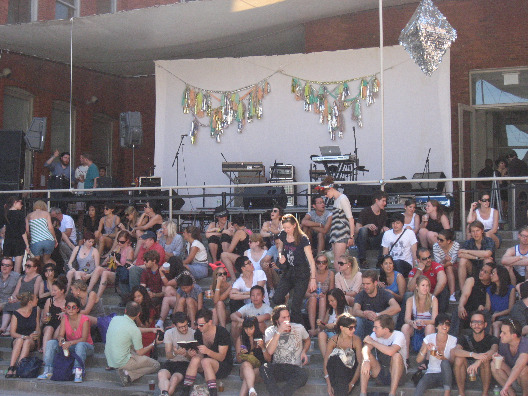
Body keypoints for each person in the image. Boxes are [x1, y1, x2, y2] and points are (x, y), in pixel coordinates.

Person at [272, 214, 316, 325]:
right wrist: (281, 255)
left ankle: (300, 332)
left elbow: (311, 260)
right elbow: (280, 247)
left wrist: (313, 279)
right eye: (285, 227)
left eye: (289, 227)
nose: (287, 230)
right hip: (288, 271)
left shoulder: (303, 239)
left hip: (301, 273)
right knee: (277, 298)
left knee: (296, 306)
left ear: (295, 225)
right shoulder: (283, 234)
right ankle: (283, 319)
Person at [38, 295, 94, 382]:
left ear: (78, 309)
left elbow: (84, 338)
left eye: (73, 307)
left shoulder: (84, 319)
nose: (71, 309)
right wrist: (61, 340)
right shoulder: (65, 318)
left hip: (86, 347)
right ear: (66, 309)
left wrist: (69, 343)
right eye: (68, 307)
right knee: (51, 343)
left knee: (80, 345)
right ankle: (48, 370)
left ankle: (78, 372)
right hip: (70, 346)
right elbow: (60, 335)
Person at [104, 301, 161, 386]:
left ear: (125, 310)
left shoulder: (115, 319)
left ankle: (124, 370)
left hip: (110, 359)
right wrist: (154, 343)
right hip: (122, 362)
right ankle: (129, 375)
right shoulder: (134, 330)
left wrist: (151, 329)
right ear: (138, 314)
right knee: (156, 365)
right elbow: (140, 352)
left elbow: (133, 329)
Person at [179, 308, 233, 396]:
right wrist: (191, 355)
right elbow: (200, 355)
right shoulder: (198, 333)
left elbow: (222, 357)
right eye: (197, 324)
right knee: (195, 359)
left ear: (210, 322)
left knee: (205, 361)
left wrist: (208, 351)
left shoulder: (222, 332)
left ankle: (213, 393)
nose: (198, 327)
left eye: (201, 325)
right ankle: (185, 390)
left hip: (223, 366)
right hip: (206, 367)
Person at [259, 305, 310, 396]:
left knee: (303, 375)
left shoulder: (299, 327)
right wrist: (279, 331)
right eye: (283, 317)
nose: (287, 320)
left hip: (295, 367)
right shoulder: (270, 331)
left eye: (288, 316)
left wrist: (304, 351)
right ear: (276, 320)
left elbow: (307, 340)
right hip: (278, 366)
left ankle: (281, 394)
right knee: (264, 367)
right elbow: (269, 352)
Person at [452, 311, 498, 396]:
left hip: (483, 373)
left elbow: (493, 351)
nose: (477, 325)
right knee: (459, 358)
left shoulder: (492, 339)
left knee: (485, 361)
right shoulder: (464, 337)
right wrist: (473, 355)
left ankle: (485, 393)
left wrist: (478, 361)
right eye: (474, 322)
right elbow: (456, 351)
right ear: (470, 324)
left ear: (485, 324)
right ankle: (461, 393)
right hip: (467, 371)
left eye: (480, 322)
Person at [360, 314, 407, 396]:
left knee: (396, 356)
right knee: (366, 357)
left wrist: (373, 342)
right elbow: (365, 349)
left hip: (398, 375)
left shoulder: (399, 335)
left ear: (386, 329)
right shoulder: (375, 335)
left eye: (376, 327)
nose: (373, 329)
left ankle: (392, 393)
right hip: (381, 372)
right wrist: (366, 360)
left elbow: (391, 352)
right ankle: (363, 393)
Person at [414, 313, 457, 396]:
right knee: (421, 384)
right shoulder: (429, 338)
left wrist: (441, 356)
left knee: (444, 363)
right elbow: (418, 360)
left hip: (446, 374)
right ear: (436, 326)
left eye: (447, 324)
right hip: (431, 372)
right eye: (441, 323)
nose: (444, 326)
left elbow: (452, 361)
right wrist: (425, 348)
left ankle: (447, 393)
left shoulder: (453, 339)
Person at [352, 270, 401, 339]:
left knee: (392, 313)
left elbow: (397, 307)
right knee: (358, 320)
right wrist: (365, 314)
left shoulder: (384, 293)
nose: (365, 286)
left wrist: (378, 315)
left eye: (368, 284)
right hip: (367, 325)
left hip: (382, 325)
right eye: (363, 284)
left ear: (375, 283)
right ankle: (358, 346)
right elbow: (355, 310)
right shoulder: (361, 295)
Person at [319, 177, 355, 266]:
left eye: (326, 193)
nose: (326, 196)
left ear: (331, 188)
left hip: (342, 233)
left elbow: (350, 218)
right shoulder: (336, 200)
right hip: (335, 233)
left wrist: (351, 236)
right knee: (336, 260)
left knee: (339, 260)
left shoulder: (342, 199)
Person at [157, 312, 195, 396]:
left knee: (174, 379)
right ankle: (165, 393)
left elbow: (193, 359)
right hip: (171, 361)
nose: (184, 329)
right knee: (161, 374)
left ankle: (165, 394)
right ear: (174, 325)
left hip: (184, 364)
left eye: (186, 325)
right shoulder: (169, 333)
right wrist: (176, 353)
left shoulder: (193, 333)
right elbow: (168, 355)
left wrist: (187, 354)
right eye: (181, 327)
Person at [324, 313, 362, 396]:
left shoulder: (356, 340)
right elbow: (326, 363)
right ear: (342, 328)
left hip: (350, 372)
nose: (354, 330)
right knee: (336, 359)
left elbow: (359, 363)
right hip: (336, 374)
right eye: (351, 328)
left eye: (355, 327)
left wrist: (351, 384)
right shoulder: (333, 340)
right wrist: (329, 385)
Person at [451, 262, 494, 337]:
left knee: (486, 313)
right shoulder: (472, 280)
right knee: (457, 312)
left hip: (480, 314)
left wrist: (483, 308)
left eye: (485, 272)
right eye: (481, 270)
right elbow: (465, 295)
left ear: (491, 275)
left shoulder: (492, 286)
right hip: (467, 312)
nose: (481, 273)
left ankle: (485, 340)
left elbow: (488, 306)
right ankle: (452, 339)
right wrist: (461, 306)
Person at [5, 291, 40, 378]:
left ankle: (19, 367)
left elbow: (38, 327)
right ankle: (11, 367)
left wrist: (36, 334)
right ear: (30, 302)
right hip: (19, 338)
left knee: (27, 341)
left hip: (31, 339)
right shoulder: (16, 313)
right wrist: (24, 336)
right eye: (36, 298)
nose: (37, 300)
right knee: (21, 340)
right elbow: (12, 333)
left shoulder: (36, 310)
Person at [92, 230, 135, 298]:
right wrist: (106, 261)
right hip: (114, 270)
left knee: (105, 273)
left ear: (127, 241)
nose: (119, 243)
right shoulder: (118, 247)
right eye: (118, 241)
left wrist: (117, 263)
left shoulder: (129, 250)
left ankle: (98, 297)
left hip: (121, 274)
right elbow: (109, 257)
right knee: (98, 269)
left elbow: (128, 267)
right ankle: (88, 290)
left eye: (122, 242)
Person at [401, 276, 438, 355]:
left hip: (428, 326)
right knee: (405, 327)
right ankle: (406, 358)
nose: (425, 288)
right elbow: (406, 319)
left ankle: (428, 359)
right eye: (423, 285)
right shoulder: (410, 300)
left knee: (430, 327)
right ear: (417, 287)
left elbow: (435, 320)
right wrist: (412, 322)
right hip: (416, 327)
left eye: (427, 285)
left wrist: (423, 321)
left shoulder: (433, 299)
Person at [235, 316, 271, 396]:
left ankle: (251, 390)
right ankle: (251, 390)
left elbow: (268, 359)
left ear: (255, 327)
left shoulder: (263, 337)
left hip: (259, 370)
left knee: (250, 376)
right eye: (246, 329)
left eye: (251, 328)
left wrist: (263, 347)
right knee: (246, 365)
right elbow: (238, 360)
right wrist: (241, 354)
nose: (248, 331)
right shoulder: (241, 339)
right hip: (245, 369)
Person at [491, 319, 528, 396]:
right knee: (493, 364)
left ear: (514, 335)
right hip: (514, 376)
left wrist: (506, 386)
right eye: (501, 332)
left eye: (504, 333)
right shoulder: (503, 342)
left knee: (524, 369)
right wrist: (498, 358)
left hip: (523, 377)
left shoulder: (525, 343)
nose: (500, 335)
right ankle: (511, 393)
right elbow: (503, 359)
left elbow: (519, 367)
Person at [408, 247, 449, 313]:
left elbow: (442, 281)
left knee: (444, 290)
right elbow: (410, 288)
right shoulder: (415, 270)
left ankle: (439, 319)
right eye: (424, 259)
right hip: (421, 296)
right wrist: (419, 271)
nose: (428, 260)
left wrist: (432, 297)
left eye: (429, 257)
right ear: (418, 260)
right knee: (407, 295)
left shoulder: (436, 265)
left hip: (435, 294)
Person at [355, 190, 389, 268]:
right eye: (383, 201)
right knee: (363, 230)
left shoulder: (383, 213)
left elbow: (381, 231)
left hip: (375, 240)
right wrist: (367, 226)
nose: (385, 203)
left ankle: (380, 261)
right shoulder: (365, 211)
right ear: (376, 200)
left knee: (386, 233)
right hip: (364, 241)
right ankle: (362, 260)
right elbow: (356, 230)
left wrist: (384, 229)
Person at [306, 251, 335, 336]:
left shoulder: (330, 274)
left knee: (322, 299)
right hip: (311, 300)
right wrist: (312, 294)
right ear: (315, 263)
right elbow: (306, 293)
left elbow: (331, 292)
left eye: (324, 262)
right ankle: (312, 328)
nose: (321, 264)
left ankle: (320, 327)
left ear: (327, 263)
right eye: (319, 262)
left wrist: (325, 295)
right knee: (313, 298)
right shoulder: (312, 273)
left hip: (325, 300)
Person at [381, 213, 417, 277]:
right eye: (393, 223)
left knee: (398, 263)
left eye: (397, 223)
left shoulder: (410, 233)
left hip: (406, 263)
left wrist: (415, 269)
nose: (395, 225)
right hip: (391, 263)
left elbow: (414, 253)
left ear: (402, 224)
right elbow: (385, 253)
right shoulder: (387, 234)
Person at [317, 288, 351, 356]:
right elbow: (323, 326)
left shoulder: (347, 310)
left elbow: (350, 325)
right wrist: (320, 324)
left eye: (332, 301)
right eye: (329, 301)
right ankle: (326, 359)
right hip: (329, 333)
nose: (330, 303)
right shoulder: (330, 310)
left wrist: (335, 325)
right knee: (321, 335)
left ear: (339, 299)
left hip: (341, 335)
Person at [40, 275, 67, 356]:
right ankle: (46, 356)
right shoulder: (50, 301)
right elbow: (43, 319)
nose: (52, 293)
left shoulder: (68, 302)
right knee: (49, 329)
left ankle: (50, 352)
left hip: (61, 326)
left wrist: (65, 313)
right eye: (52, 290)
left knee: (60, 328)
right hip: (50, 324)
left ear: (62, 291)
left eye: (55, 290)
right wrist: (45, 319)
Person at [485, 265, 515, 337]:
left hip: (506, 316)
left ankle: (495, 345)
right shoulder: (489, 289)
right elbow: (487, 308)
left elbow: (511, 309)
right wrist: (482, 307)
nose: (491, 275)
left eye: (493, 273)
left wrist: (497, 315)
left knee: (495, 325)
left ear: (500, 275)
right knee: (488, 325)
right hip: (493, 315)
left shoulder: (511, 289)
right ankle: (489, 345)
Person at [128, 286, 159, 356]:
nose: (137, 299)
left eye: (139, 296)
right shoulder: (131, 306)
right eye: (135, 297)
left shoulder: (150, 309)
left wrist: (136, 316)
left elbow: (145, 326)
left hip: (148, 331)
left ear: (144, 296)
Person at [433, 229, 460, 302]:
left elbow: (453, 261)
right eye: (438, 239)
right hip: (441, 269)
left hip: (454, 269)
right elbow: (438, 262)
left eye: (441, 240)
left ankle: (452, 294)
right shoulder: (435, 246)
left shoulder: (456, 245)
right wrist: (445, 261)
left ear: (448, 241)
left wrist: (445, 263)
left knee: (449, 268)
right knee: (448, 267)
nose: (438, 241)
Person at [3, 196, 28, 273]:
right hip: (18, 241)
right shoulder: (20, 214)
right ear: (15, 203)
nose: (22, 205)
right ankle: (16, 283)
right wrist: (27, 244)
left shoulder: (5, 213)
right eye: (21, 203)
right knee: (17, 266)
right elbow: (23, 231)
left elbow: (3, 229)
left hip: (8, 241)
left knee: (6, 265)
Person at [0, 257, 20, 334]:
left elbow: (18, 291)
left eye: (7, 265)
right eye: (2, 265)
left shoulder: (17, 277)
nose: (4, 267)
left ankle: (4, 328)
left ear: (12, 267)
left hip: (9, 300)